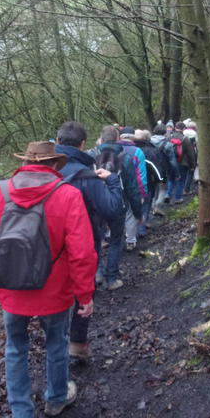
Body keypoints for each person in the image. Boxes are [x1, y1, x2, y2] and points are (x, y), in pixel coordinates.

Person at [0, 141, 97, 418]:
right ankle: (56, 399)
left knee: (15, 349)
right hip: (55, 292)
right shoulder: (67, 195)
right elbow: (82, 252)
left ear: (26, 162)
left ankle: (21, 415)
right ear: (54, 165)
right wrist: (84, 294)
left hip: (13, 292)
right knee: (56, 343)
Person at [55, 121, 124, 362]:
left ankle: (56, 345)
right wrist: (112, 181)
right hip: (84, 242)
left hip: (49, 247)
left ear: (57, 143)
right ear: (83, 145)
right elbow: (113, 210)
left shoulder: (44, 173)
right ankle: (77, 344)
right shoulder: (88, 176)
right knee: (83, 293)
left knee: (57, 292)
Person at [91, 125, 142, 290]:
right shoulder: (124, 158)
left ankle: (97, 273)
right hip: (117, 204)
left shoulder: (90, 156)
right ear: (118, 138)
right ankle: (111, 278)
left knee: (96, 240)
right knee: (115, 241)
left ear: (100, 138)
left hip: (95, 204)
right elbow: (132, 188)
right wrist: (137, 212)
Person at [133, 129, 167, 236]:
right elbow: (156, 167)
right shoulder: (150, 150)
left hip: (130, 183)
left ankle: (131, 233)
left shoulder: (128, 149)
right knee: (145, 206)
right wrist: (161, 179)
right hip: (147, 183)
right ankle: (141, 229)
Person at [118, 126, 147, 250]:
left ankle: (115, 238)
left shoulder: (113, 149)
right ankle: (130, 240)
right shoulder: (137, 152)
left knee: (118, 214)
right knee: (130, 214)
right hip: (131, 187)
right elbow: (141, 175)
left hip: (115, 187)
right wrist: (142, 193)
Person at [151, 123, 179, 212]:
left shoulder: (148, 142)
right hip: (164, 170)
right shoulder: (168, 145)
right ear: (164, 132)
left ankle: (152, 206)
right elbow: (173, 161)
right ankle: (157, 206)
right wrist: (176, 173)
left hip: (150, 169)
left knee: (153, 188)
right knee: (163, 188)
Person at [167, 122, 197, 204]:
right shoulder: (185, 139)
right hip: (182, 163)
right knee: (181, 180)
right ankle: (178, 198)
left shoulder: (168, 137)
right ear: (183, 129)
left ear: (175, 128)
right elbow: (191, 153)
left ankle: (168, 194)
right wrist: (192, 165)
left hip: (170, 162)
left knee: (171, 179)